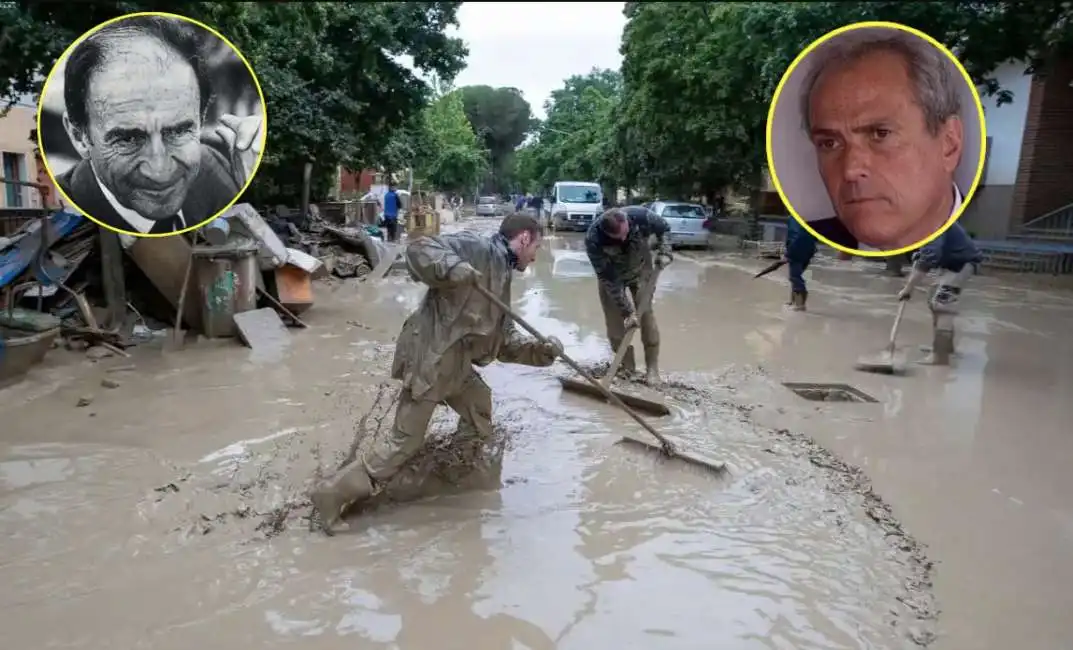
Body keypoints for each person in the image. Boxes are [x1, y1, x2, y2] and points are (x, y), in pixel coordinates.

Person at [309, 214, 563, 533]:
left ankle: (455, 475)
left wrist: (541, 352)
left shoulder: (501, 272)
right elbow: (419, 249)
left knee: (478, 405)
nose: (535, 255)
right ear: (524, 238)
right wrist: (453, 268)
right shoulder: (478, 248)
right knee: (404, 441)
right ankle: (332, 494)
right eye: (536, 246)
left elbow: (503, 341)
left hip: (454, 364)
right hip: (430, 357)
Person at [55, 15, 263, 235]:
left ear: (201, 119)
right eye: (128, 139)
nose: (159, 171)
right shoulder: (69, 219)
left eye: (179, 131)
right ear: (79, 136)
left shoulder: (215, 170)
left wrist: (246, 188)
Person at [800, 31, 965, 252]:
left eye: (880, 133)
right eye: (829, 143)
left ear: (949, 144)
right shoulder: (813, 239)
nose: (850, 170)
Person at [585, 207, 672, 385]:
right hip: (612, 276)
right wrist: (627, 312)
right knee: (615, 324)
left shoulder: (641, 216)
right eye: (618, 238)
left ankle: (652, 369)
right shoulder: (593, 239)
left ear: (627, 221)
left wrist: (665, 251)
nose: (624, 239)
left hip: (641, 270)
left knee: (646, 315)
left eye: (626, 233)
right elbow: (609, 280)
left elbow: (664, 229)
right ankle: (627, 368)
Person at [896, 222, 981, 365]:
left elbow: (930, 257)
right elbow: (924, 254)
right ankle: (945, 347)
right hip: (949, 262)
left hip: (962, 263)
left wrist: (908, 288)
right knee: (933, 299)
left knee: (942, 303)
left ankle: (940, 356)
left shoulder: (931, 223)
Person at [784, 217, 818, 311]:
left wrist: (789, 253)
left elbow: (797, 236)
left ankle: (799, 304)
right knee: (796, 276)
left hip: (798, 250)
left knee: (795, 277)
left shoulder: (796, 218)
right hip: (808, 249)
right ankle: (793, 301)